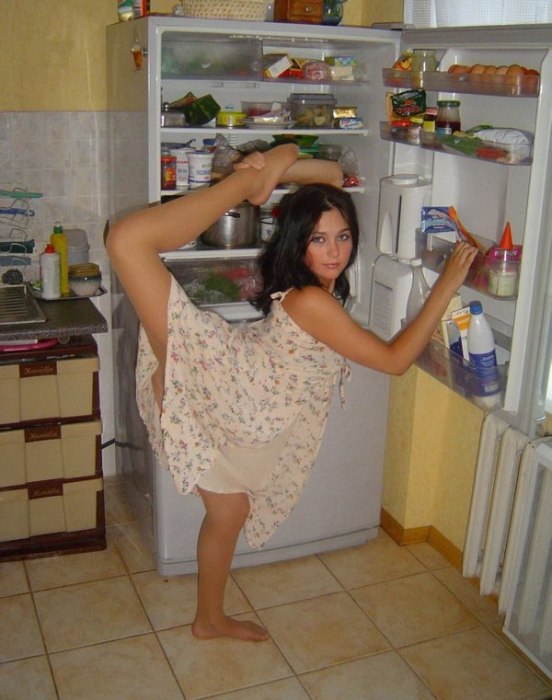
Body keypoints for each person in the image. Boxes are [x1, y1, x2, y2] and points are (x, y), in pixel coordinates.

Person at [106, 143, 477, 643]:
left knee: (230, 510)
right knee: (127, 240)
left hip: (242, 396)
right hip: (227, 380)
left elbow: (333, 176)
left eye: (343, 237)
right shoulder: (310, 300)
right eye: (320, 240)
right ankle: (241, 188)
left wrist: (279, 164)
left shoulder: (316, 293)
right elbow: (393, 362)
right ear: (298, 244)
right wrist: (446, 284)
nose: (335, 251)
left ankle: (208, 620)